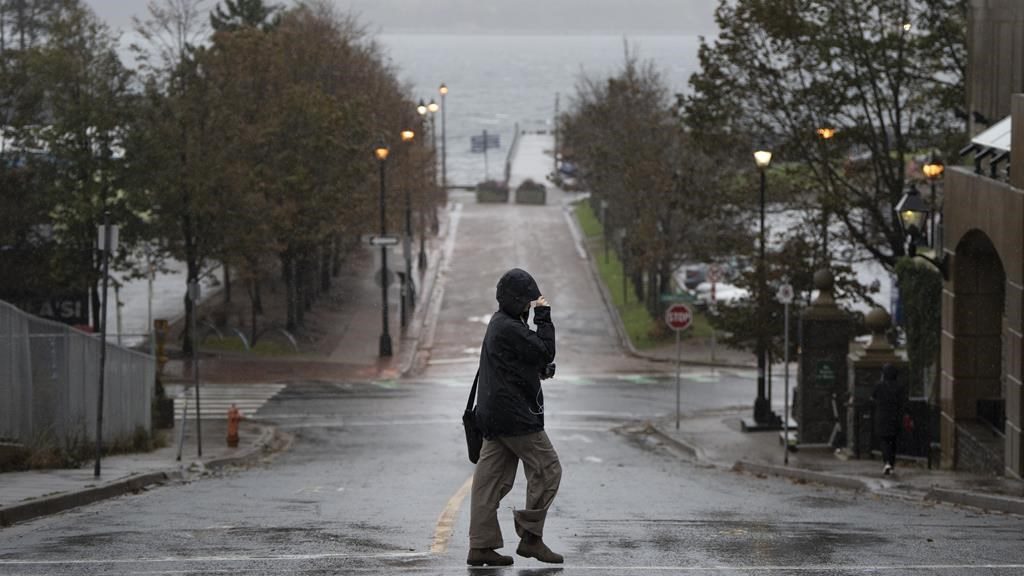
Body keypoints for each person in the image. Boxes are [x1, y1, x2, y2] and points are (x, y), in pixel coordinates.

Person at [467, 268, 563, 567]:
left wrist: (537, 371)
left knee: (490, 482)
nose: (529, 306)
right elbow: (545, 350)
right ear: (514, 300)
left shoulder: (500, 324)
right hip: (515, 417)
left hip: (494, 415)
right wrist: (543, 315)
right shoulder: (510, 327)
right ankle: (531, 538)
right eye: (526, 302)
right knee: (548, 469)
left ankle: (481, 546)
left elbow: (516, 362)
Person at [872, 363, 906, 476]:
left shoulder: (879, 386)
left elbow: (873, 398)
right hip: (895, 417)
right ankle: (891, 463)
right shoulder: (900, 387)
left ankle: (887, 462)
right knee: (893, 442)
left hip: (882, 417)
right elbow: (903, 402)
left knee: (884, 441)